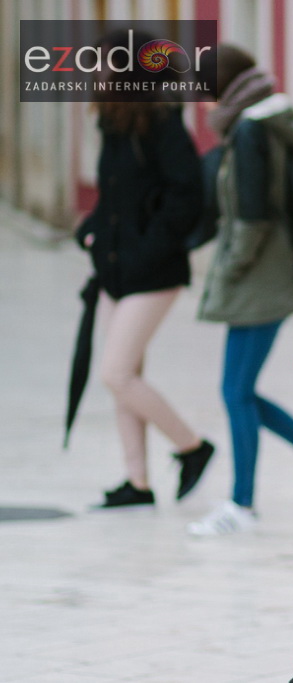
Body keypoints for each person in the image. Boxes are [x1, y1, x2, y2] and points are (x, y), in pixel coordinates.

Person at [76, 30, 214, 509]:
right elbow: (116, 198)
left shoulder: (163, 125)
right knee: (125, 371)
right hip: (116, 270)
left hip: (153, 272)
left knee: (115, 373)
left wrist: (142, 248)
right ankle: (137, 481)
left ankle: (192, 447)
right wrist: (91, 230)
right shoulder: (115, 124)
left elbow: (186, 197)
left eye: (104, 64)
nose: (95, 72)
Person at [187, 45, 293, 536]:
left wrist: (229, 269)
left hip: (259, 274)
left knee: (235, 391)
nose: (201, 103)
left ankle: (241, 504)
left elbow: (253, 216)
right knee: (237, 390)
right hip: (269, 271)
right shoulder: (259, 125)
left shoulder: (251, 131)